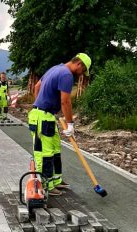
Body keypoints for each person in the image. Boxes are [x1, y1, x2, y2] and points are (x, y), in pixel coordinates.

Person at [28, 53, 91, 196]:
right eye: (83, 71)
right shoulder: (67, 75)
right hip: (43, 118)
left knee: (55, 149)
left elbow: (37, 87)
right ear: (79, 64)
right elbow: (65, 101)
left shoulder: (55, 69)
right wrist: (70, 124)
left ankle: (56, 180)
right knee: (46, 154)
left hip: (45, 116)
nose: (82, 75)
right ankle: (47, 185)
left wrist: (39, 105)